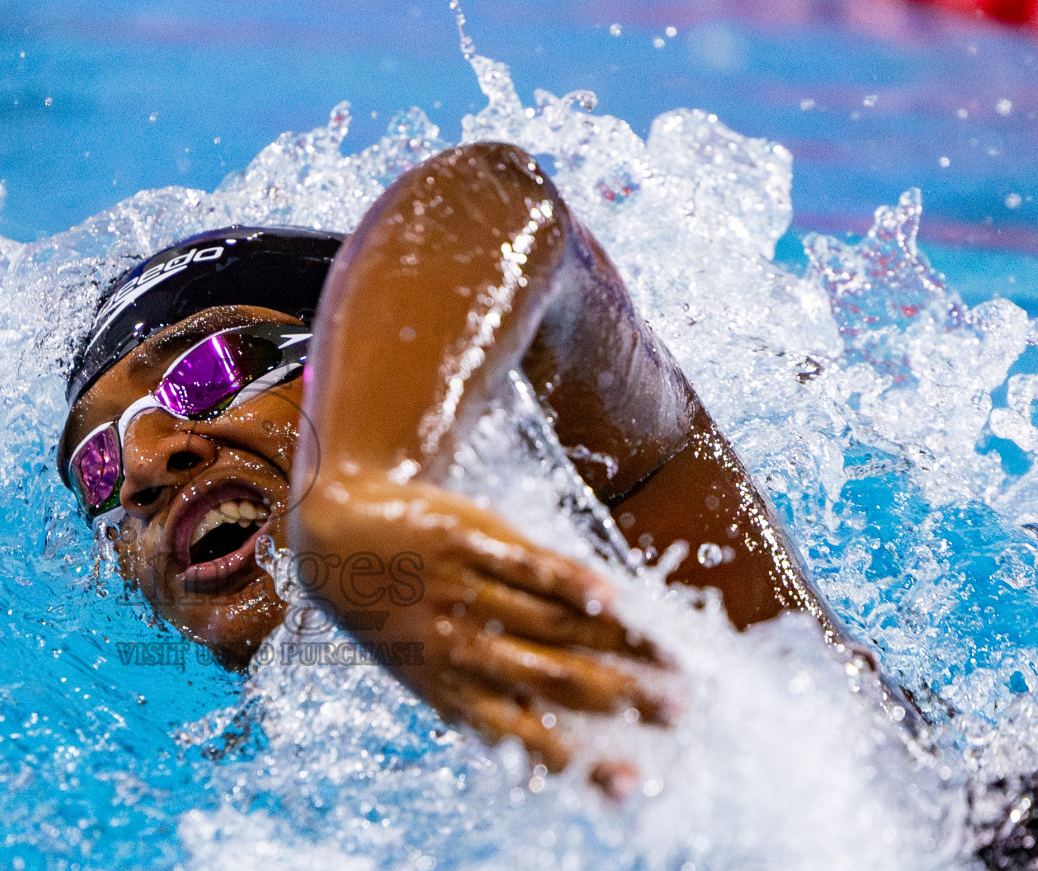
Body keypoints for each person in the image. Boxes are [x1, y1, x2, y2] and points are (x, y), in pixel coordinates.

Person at [58, 141, 872, 775]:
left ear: (356, 358)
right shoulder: (256, 818)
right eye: (96, 464)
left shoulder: (629, 549)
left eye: (211, 372)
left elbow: (493, 199)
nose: (142, 467)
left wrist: (368, 490)